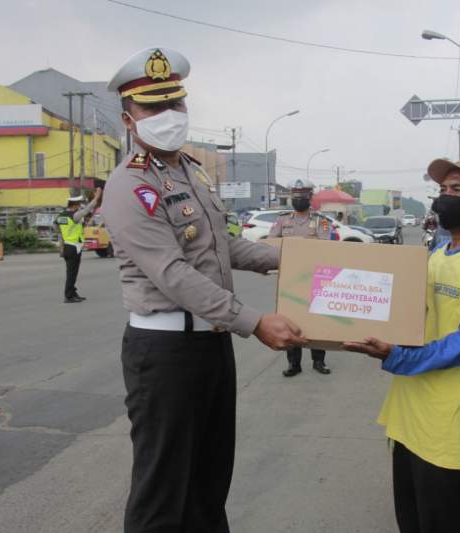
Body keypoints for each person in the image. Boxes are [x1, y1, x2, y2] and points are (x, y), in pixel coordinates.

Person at [102, 47, 305, 533]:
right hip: (165, 351)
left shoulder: (190, 173)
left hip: (209, 345)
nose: (169, 116)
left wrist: (299, 257)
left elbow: (224, 246)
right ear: (130, 119)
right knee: (163, 492)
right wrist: (255, 322)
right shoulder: (130, 186)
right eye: (154, 107)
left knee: (210, 481)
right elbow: (172, 272)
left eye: (176, 103)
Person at [345, 157, 460, 533]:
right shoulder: (437, 255)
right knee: (413, 519)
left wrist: (397, 354)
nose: (444, 198)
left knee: (446, 521)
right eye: (442, 190)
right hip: (411, 414)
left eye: (457, 190)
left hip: (450, 419)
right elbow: (407, 315)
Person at [269, 178, 333, 377]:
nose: (299, 200)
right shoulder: (282, 220)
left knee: (317, 320)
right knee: (290, 321)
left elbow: (325, 247)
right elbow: (272, 244)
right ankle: (294, 364)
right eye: (295, 197)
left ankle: (319, 361)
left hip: (315, 278)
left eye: (303, 197)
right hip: (289, 279)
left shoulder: (320, 221)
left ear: (310, 198)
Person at [55, 188, 102, 303]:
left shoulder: (61, 216)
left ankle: (73, 292)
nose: (79, 207)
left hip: (67, 246)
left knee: (72, 272)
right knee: (72, 273)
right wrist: (96, 197)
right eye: (78, 205)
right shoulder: (74, 216)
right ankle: (69, 296)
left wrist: (62, 241)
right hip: (73, 247)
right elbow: (87, 210)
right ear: (74, 206)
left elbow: (56, 228)